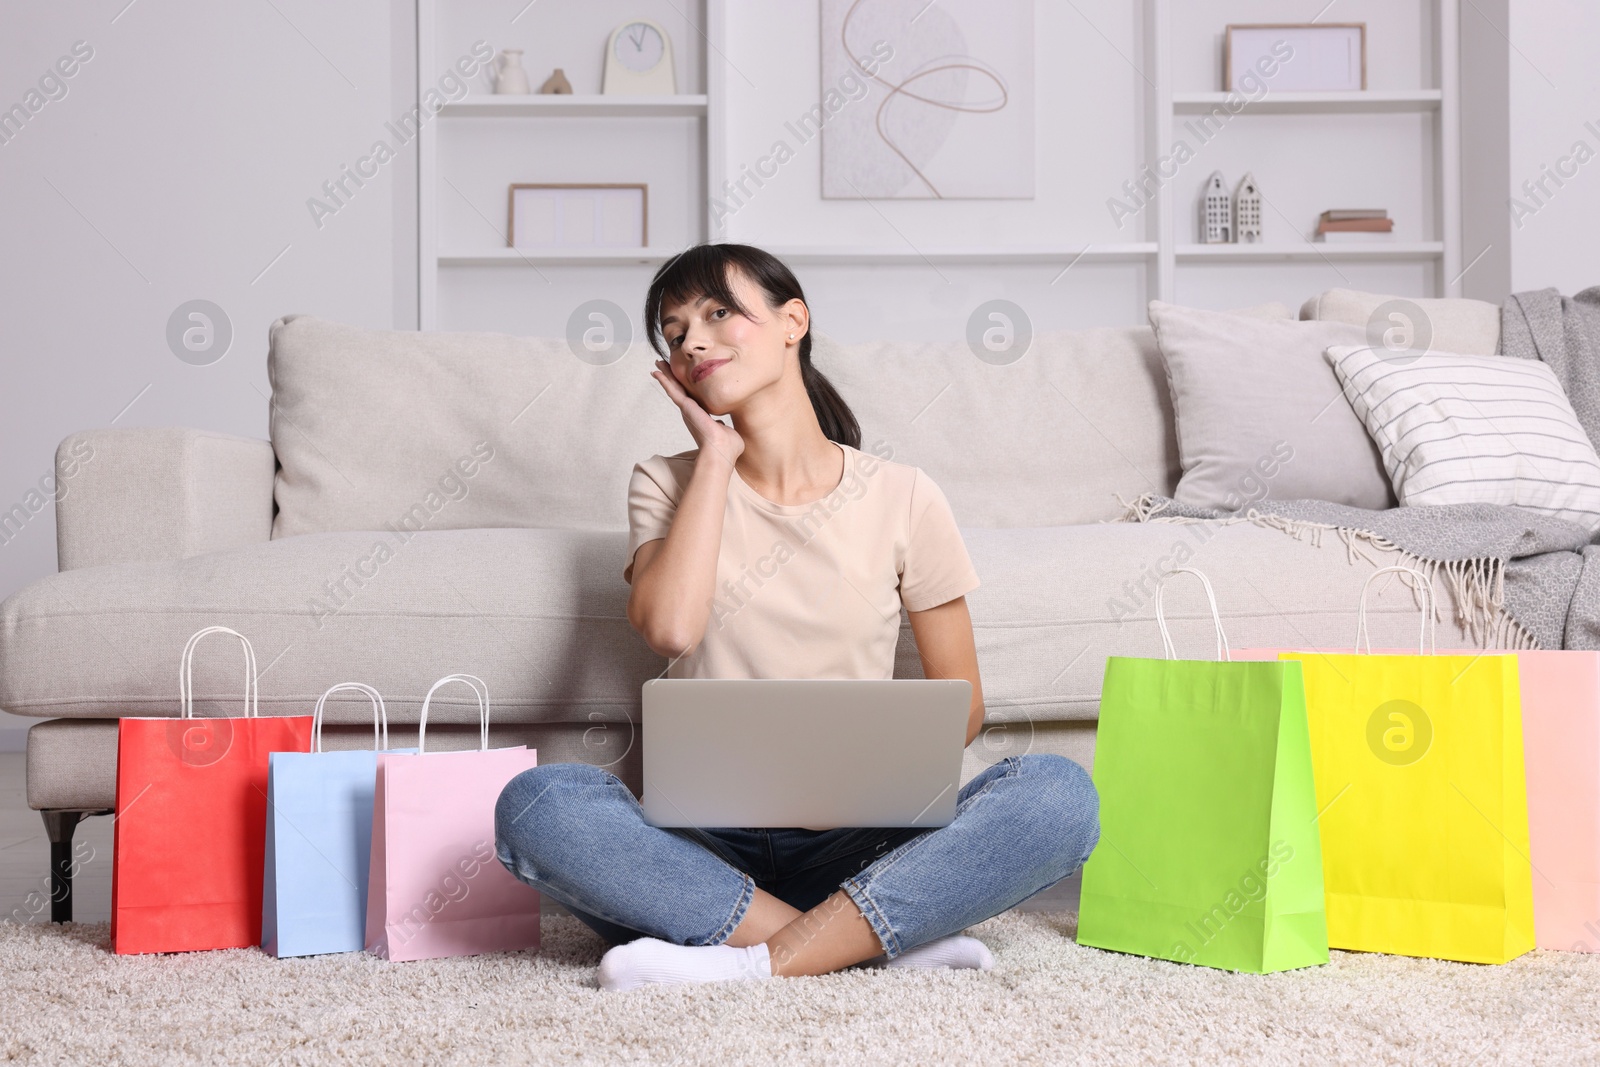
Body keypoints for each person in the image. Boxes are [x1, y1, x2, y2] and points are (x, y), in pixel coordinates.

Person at [495, 243, 1100, 991]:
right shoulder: (664, 480)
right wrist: (715, 458)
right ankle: (865, 941)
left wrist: (863, 756)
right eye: (676, 331)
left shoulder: (904, 495)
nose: (694, 340)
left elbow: (965, 704)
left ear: (793, 321)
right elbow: (671, 629)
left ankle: (741, 960)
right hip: (703, 850)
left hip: (865, 841)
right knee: (540, 805)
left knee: (1058, 796)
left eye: (719, 312)